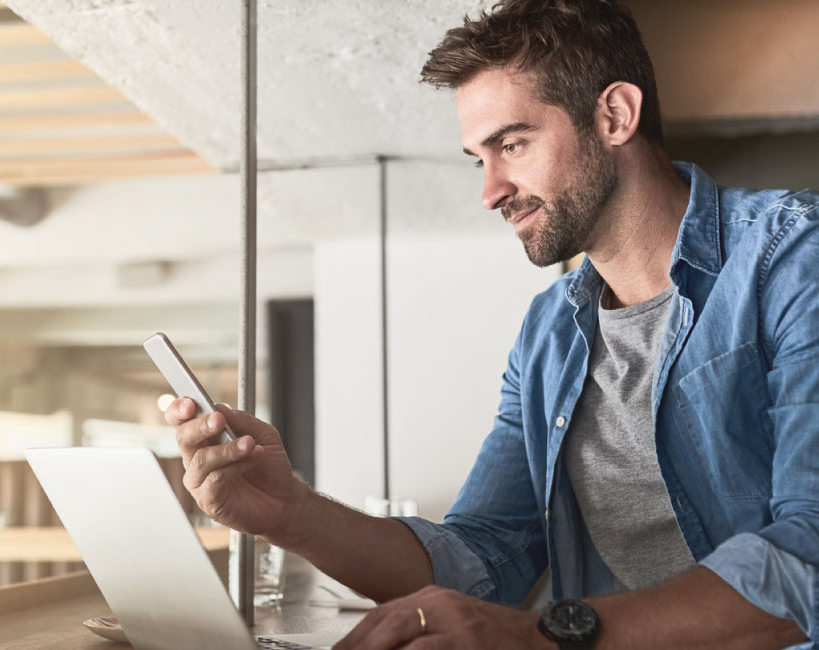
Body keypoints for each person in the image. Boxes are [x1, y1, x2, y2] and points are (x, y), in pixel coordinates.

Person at [164, 1, 817, 648]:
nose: (491, 190)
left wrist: (542, 636)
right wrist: (292, 513)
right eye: (480, 157)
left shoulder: (794, 259)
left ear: (615, 115)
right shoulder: (550, 333)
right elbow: (482, 562)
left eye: (513, 143)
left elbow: (808, 558)